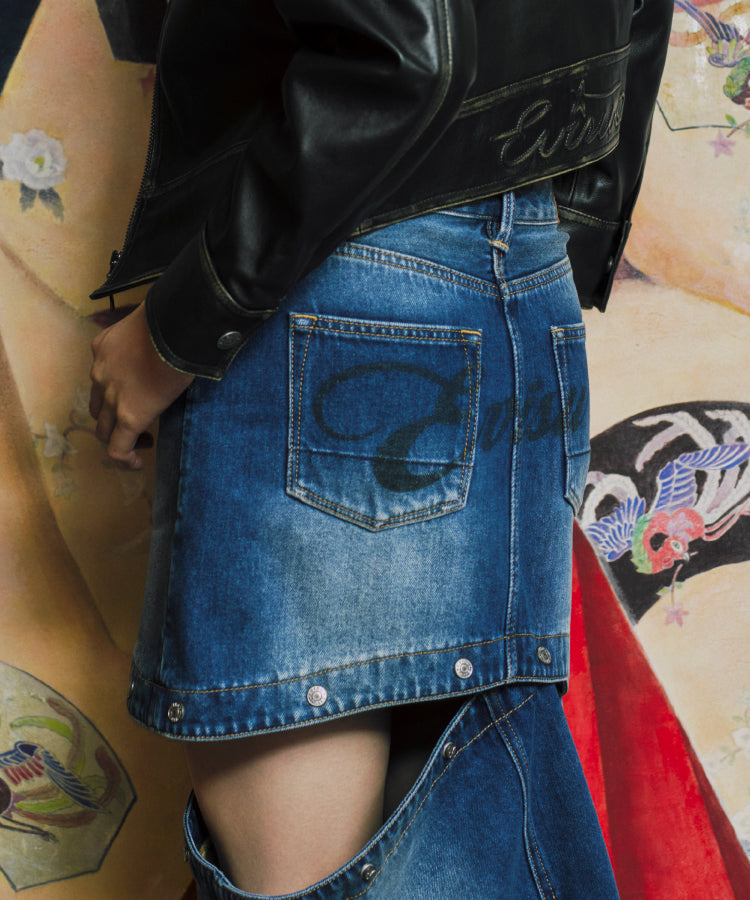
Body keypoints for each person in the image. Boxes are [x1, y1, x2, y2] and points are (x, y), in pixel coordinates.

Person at [88, 0, 673, 896]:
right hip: (523, 289)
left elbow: (407, 54)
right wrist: (543, 242)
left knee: (303, 873)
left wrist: (177, 327)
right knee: (458, 830)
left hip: (327, 286)